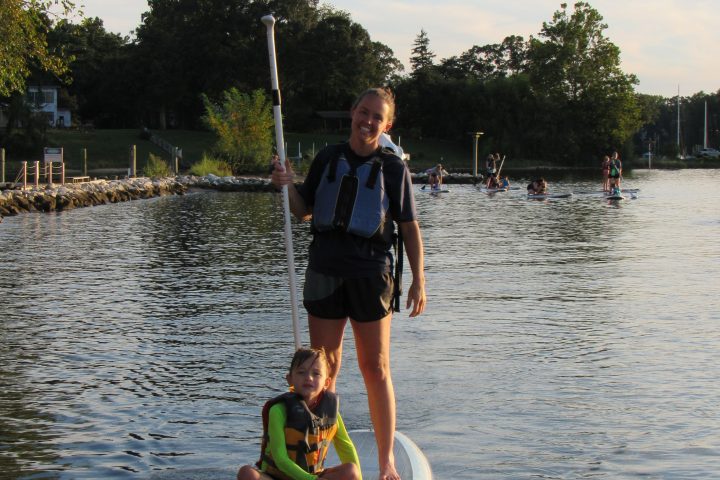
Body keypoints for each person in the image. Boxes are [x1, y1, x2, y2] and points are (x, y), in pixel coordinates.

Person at [270, 87, 426, 480]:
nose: (368, 121)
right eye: (363, 112)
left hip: (372, 273)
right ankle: (315, 456)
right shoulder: (327, 158)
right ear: (352, 112)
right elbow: (304, 211)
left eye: (377, 116)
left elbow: (408, 227)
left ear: (386, 125)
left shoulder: (393, 168)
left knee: (375, 368)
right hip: (325, 269)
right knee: (325, 368)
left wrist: (419, 280)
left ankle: (386, 462)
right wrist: (286, 184)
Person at [237, 347, 362, 480]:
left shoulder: (331, 413)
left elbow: (346, 449)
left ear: (327, 382)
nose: (308, 377)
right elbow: (280, 458)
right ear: (290, 379)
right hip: (277, 477)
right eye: (301, 372)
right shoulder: (278, 410)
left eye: (316, 373)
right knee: (247, 473)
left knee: (351, 470)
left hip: (313, 475)